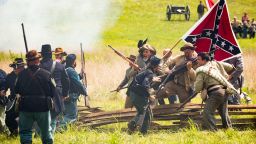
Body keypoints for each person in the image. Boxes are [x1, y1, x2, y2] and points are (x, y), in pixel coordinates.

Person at [15, 50, 55, 144]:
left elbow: (16, 90)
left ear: (28, 61)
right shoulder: (46, 74)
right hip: (42, 107)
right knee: (46, 133)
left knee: (25, 133)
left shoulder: (21, 75)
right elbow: (52, 91)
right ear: (37, 60)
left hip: (25, 107)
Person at [194, 52, 237, 131]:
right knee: (223, 112)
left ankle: (213, 131)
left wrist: (200, 87)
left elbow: (197, 88)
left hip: (216, 92)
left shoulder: (201, 70)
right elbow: (231, 67)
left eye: (199, 59)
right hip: (225, 89)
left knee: (207, 112)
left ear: (204, 60)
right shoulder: (215, 64)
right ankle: (229, 130)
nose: (197, 61)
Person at [40, 44, 70, 134]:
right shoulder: (59, 66)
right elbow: (66, 81)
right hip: (56, 94)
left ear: (42, 54)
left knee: (41, 117)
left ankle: (41, 135)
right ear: (51, 54)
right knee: (53, 118)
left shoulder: (37, 67)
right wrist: (65, 94)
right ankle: (50, 136)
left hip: (41, 94)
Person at [127, 56, 161, 134]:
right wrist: (150, 95)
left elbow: (144, 80)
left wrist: (152, 79)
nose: (159, 67)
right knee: (146, 113)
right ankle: (140, 130)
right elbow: (145, 84)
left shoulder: (146, 70)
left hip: (133, 93)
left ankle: (134, 126)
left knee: (143, 112)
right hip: (138, 94)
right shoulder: (150, 72)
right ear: (154, 66)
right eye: (158, 65)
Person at [60, 54, 87, 127]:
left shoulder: (66, 69)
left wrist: (80, 76)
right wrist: (85, 92)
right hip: (71, 95)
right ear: (73, 62)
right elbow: (78, 84)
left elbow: (72, 79)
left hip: (66, 95)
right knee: (71, 116)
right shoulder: (71, 71)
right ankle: (58, 129)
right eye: (75, 61)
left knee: (67, 114)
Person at [4, 58, 25, 136]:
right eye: (20, 67)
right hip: (13, 99)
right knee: (9, 118)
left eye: (22, 67)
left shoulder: (27, 75)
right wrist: (3, 91)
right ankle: (14, 132)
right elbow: (5, 88)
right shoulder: (9, 76)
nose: (22, 68)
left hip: (25, 99)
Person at [0, 69, 8, 134]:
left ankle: (7, 133)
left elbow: (5, 85)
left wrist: (3, 90)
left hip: (1, 100)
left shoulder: (2, 73)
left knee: (1, 118)